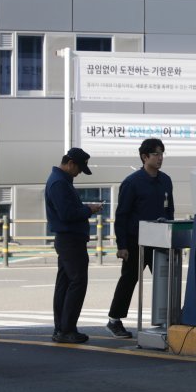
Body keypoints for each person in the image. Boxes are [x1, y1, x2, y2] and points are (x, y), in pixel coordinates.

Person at [106, 138, 174, 338]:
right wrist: (122, 245)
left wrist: (171, 235)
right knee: (129, 279)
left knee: (165, 280)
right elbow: (122, 215)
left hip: (160, 239)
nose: (160, 158)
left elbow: (169, 209)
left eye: (162, 154)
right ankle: (114, 320)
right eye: (156, 154)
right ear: (145, 157)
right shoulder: (132, 182)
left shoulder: (166, 180)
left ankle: (167, 320)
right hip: (137, 241)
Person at [46, 147, 102, 344]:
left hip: (67, 240)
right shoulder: (59, 183)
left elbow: (67, 211)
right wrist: (89, 209)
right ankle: (67, 329)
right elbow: (67, 214)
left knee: (65, 283)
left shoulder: (60, 181)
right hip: (70, 240)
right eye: (78, 169)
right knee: (77, 282)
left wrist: (85, 208)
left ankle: (61, 328)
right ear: (70, 163)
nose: (79, 173)